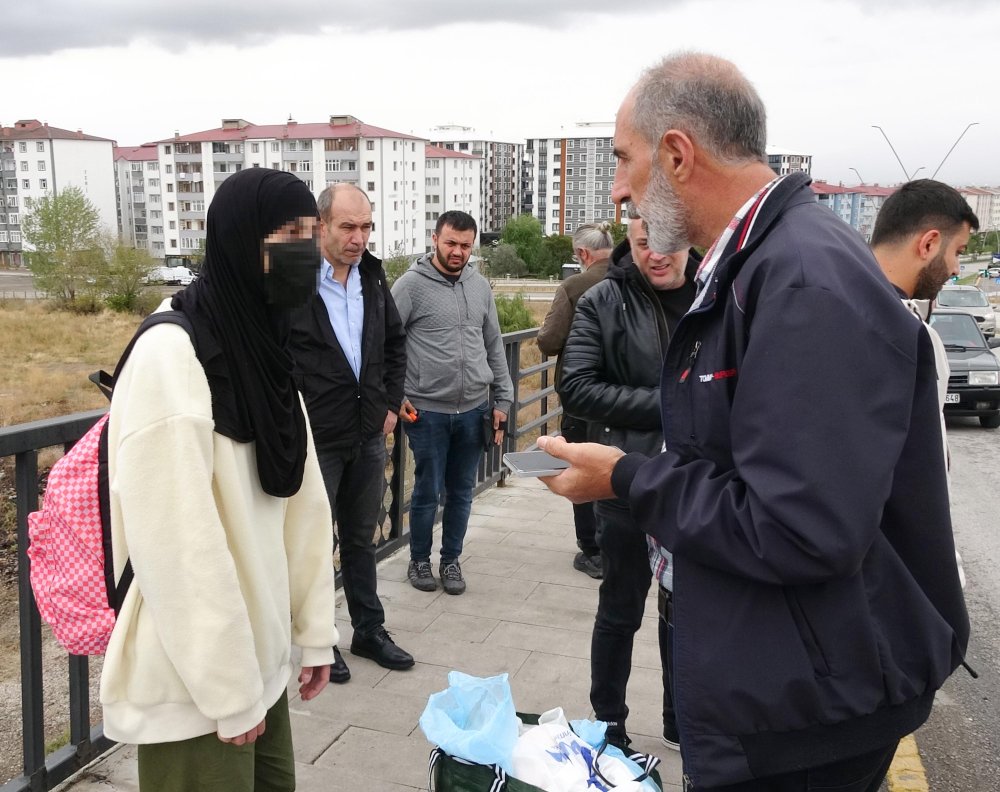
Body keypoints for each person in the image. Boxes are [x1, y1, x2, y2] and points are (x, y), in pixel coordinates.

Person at [537, 53, 971, 792]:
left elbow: (801, 526)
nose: (617, 190)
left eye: (623, 160)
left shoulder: (801, 278)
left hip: (807, 714)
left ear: (677, 154)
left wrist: (628, 477)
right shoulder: (759, 262)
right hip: (788, 685)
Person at [101, 168, 338, 792]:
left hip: (257, 662)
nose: (305, 251)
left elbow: (303, 502)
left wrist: (313, 633)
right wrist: (228, 689)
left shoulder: (262, 342)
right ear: (240, 239)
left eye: (311, 233)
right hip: (195, 683)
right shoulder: (172, 356)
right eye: (287, 234)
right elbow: (177, 545)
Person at [559, 216, 697, 752]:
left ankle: (679, 719)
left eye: (666, 243)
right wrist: (672, 405)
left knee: (682, 610)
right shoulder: (603, 301)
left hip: (693, 485)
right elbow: (576, 387)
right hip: (624, 482)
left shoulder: (717, 293)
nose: (655, 254)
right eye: (643, 243)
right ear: (629, 242)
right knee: (619, 609)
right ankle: (607, 721)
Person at [290, 183, 413, 681]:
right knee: (315, 541)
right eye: (347, 227)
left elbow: (395, 343)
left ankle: (368, 630)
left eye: (365, 227)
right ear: (320, 226)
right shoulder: (294, 281)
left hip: (366, 432)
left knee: (361, 537)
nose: (359, 238)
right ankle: (321, 641)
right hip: (315, 437)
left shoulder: (373, 276)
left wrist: (386, 402)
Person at [391, 211, 514, 594]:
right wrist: (396, 396)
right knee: (426, 492)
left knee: (461, 492)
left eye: (465, 245)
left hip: (475, 409)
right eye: (451, 243)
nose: (458, 252)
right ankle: (418, 562)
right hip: (426, 411)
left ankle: (451, 561)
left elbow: (494, 344)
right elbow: (385, 344)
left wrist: (504, 399)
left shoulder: (479, 286)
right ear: (435, 239)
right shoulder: (409, 286)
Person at [536, 222, 614, 579]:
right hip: (629, 399)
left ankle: (592, 551)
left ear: (582, 254)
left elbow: (550, 340)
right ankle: (620, 544)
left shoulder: (576, 286)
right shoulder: (637, 279)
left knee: (581, 467)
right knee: (620, 465)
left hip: (583, 397)